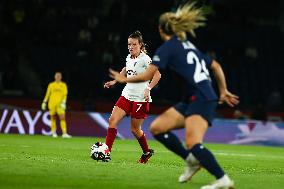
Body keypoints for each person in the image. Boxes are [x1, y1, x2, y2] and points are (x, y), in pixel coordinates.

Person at [109, 2, 239, 189]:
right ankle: (192, 161)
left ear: (161, 29)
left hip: (201, 98)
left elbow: (147, 75)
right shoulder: (188, 45)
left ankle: (223, 179)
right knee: (158, 128)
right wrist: (223, 90)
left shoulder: (167, 48)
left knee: (193, 142)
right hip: (194, 98)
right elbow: (216, 66)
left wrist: (123, 80)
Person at [104, 31, 161, 163]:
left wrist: (148, 88)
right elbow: (126, 68)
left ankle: (146, 152)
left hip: (140, 98)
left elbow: (157, 75)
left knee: (135, 130)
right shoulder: (129, 57)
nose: (131, 47)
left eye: (134, 44)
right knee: (112, 120)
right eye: (129, 44)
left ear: (140, 45)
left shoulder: (145, 59)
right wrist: (115, 81)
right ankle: (106, 151)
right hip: (126, 95)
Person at [41, 72, 71, 138]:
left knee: (62, 117)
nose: (58, 77)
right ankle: (54, 132)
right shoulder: (51, 85)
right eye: (57, 76)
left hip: (60, 104)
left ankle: (64, 133)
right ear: (55, 77)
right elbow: (47, 94)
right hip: (51, 104)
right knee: (53, 118)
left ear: (61, 77)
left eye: (59, 76)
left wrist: (63, 102)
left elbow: (65, 95)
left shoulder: (63, 85)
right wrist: (44, 102)